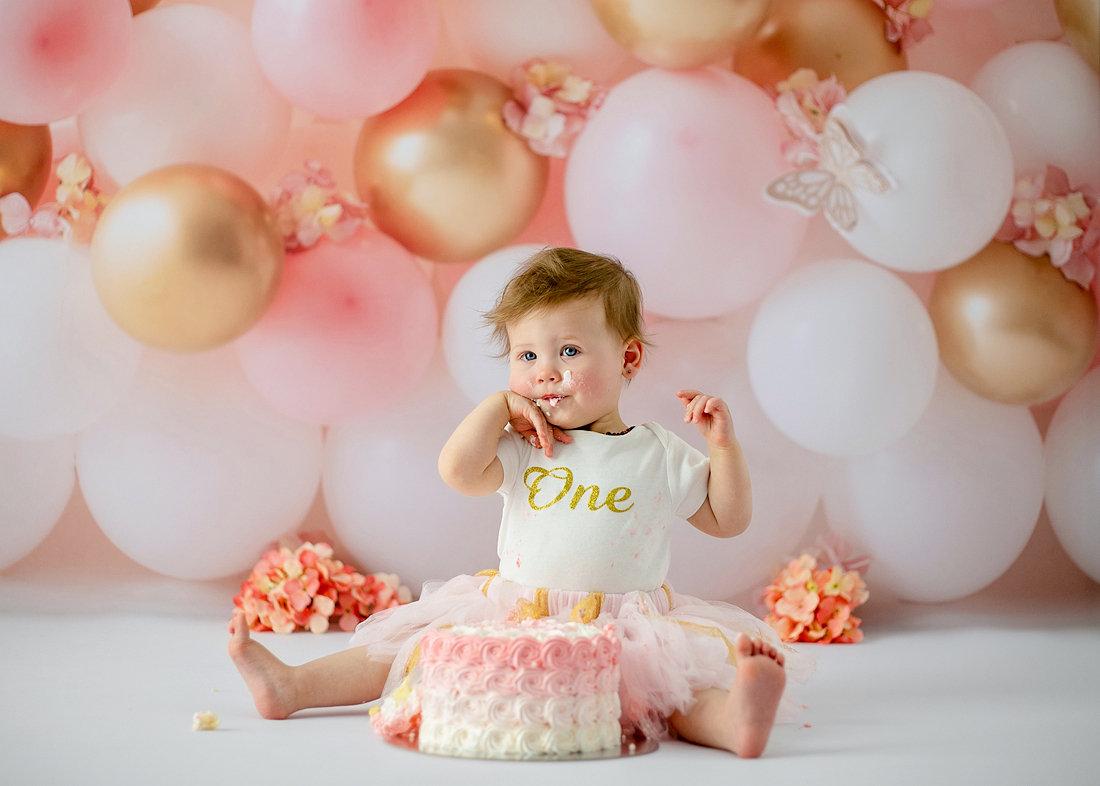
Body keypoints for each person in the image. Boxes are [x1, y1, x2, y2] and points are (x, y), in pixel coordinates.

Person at [229, 247, 811, 758]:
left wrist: (724, 448)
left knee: (669, 694)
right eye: (525, 357)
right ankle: (293, 687)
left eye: (569, 352)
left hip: (621, 628)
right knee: (407, 652)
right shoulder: (526, 445)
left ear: (628, 360)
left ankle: (733, 721)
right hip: (512, 615)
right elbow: (456, 471)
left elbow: (729, 520)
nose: (545, 374)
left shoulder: (656, 453)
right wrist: (495, 409)